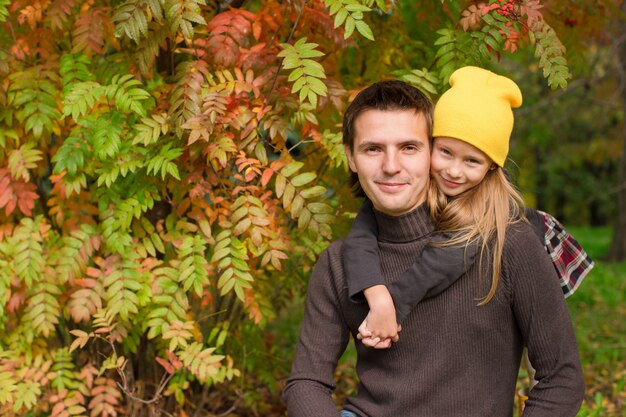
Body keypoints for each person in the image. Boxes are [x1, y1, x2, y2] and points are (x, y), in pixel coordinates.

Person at [283, 70, 584, 416]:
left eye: (408, 148)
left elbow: (561, 379)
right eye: (372, 149)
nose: (391, 166)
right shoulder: (339, 263)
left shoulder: (506, 242)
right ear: (351, 157)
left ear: (430, 151)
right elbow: (307, 383)